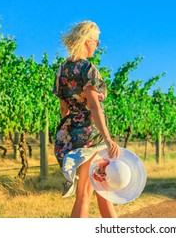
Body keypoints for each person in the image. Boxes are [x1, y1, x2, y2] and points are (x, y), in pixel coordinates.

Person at [52, 20, 120, 218]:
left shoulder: (61, 70)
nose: (97, 46)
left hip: (72, 134)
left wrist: (69, 137)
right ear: (87, 41)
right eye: (96, 42)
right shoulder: (87, 69)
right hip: (91, 136)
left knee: (102, 191)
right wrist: (107, 139)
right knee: (86, 193)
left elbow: (63, 109)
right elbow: (93, 106)